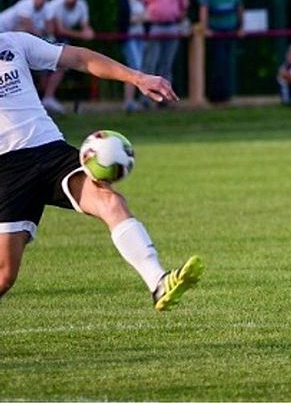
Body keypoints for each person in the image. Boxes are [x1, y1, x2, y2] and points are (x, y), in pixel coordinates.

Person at [0, 31, 203, 309]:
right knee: (5, 275)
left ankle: (158, 281)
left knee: (111, 201)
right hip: (7, 170)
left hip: (51, 151)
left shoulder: (14, 43)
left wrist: (138, 78)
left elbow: (81, 58)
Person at [139, 0, 189, 95]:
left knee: (167, 64)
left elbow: (184, 5)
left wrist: (181, 21)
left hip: (172, 26)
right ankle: (147, 97)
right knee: (150, 62)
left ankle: (166, 96)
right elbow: (140, 5)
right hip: (154, 26)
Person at [0, 0, 56, 111]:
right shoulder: (25, 5)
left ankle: (46, 98)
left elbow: (50, 29)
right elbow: (29, 28)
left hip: (14, 39)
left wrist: (50, 39)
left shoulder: (47, 7)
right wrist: (47, 39)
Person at [198, 0, 244, 104]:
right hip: (215, 31)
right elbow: (203, 7)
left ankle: (226, 95)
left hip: (230, 30)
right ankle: (215, 96)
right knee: (217, 64)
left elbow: (239, 6)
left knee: (227, 63)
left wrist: (241, 26)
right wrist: (206, 28)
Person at [45, 0, 95, 113]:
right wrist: (82, 34)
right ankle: (47, 98)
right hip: (47, 36)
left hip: (60, 39)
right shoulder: (56, 5)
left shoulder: (82, 5)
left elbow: (85, 25)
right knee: (54, 65)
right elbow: (59, 29)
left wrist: (88, 31)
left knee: (63, 65)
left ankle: (48, 98)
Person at [117, 0, 147, 113]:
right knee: (134, 66)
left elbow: (146, 17)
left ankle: (134, 99)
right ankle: (128, 100)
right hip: (129, 38)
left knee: (139, 66)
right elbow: (123, 19)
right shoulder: (122, 0)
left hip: (140, 36)